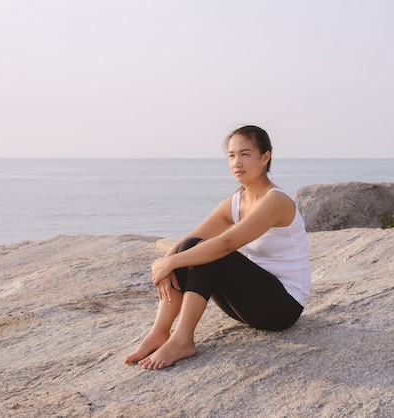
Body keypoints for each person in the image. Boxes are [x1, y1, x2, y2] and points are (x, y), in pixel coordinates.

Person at [124, 125, 311, 370]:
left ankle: (183, 339)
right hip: (248, 305)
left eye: (245, 154)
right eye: (232, 155)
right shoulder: (236, 201)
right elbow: (190, 239)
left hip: (283, 306)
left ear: (265, 157)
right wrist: (164, 265)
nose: (237, 162)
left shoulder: (276, 201)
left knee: (213, 253)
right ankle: (160, 332)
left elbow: (226, 243)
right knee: (192, 247)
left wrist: (170, 262)